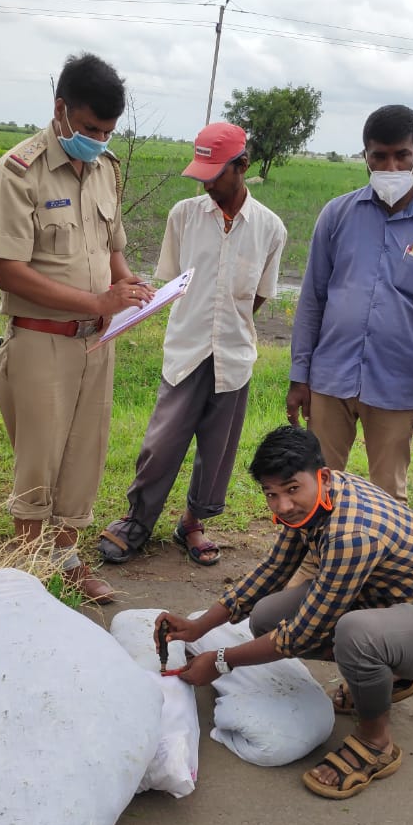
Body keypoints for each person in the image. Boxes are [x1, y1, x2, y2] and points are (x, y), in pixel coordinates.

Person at [157, 426, 413, 800]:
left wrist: (220, 661)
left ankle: (376, 743)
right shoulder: (318, 499)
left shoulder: (352, 533)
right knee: (267, 617)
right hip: (389, 604)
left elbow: (302, 635)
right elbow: (273, 571)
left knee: (355, 635)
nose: (282, 505)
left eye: (291, 489)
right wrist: (198, 628)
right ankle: (389, 676)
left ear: (321, 477)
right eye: (271, 494)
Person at [0, 52, 154, 604]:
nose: (98, 140)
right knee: (39, 461)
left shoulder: (105, 169)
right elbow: (10, 270)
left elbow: (114, 249)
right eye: (88, 128)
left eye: (107, 131)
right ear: (60, 110)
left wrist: (130, 290)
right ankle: (30, 570)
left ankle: (66, 559)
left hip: (95, 343)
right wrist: (95, 298)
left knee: (85, 457)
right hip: (41, 342)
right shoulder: (17, 173)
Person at [96, 123, 287, 567]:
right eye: (200, 174)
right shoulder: (183, 215)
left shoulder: (270, 229)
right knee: (162, 443)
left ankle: (193, 524)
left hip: (234, 355)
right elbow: (173, 282)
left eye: (214, 174)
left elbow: (257, 295)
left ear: (242, 166)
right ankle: (137, 520)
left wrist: (228, 325)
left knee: (217, 449)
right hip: (186, 349)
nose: (206, 183)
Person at [286, 104, 413, 503]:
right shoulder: (337, 215)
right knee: (318, 487)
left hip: (398, 386)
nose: (391, 166)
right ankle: (314, 563)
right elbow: (313, 299)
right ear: (364, 156)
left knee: (388, 496)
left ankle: (382, 565)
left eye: (402, 155)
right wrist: (301, 375)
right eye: (379, 156)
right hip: (330, 378)